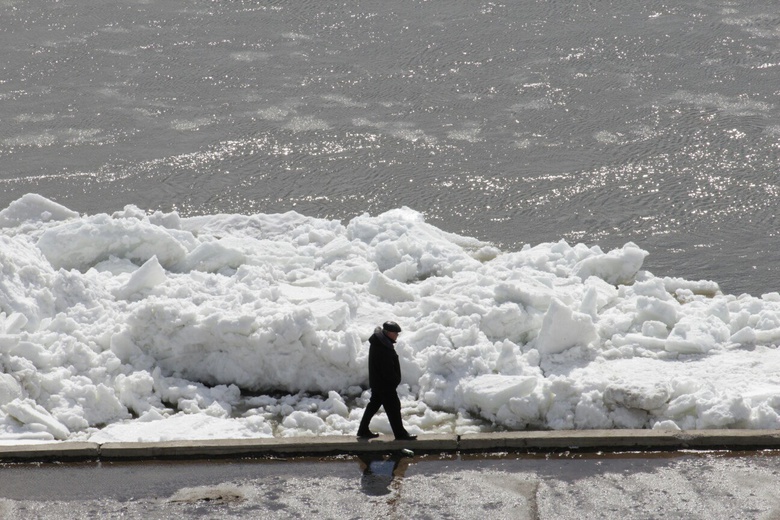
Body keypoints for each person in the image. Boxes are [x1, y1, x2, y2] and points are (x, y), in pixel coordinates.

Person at [356, 321, 417, 440]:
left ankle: (363, 429)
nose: (397, 336)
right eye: (395, 333)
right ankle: (400, 434)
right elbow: (387, 368)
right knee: (394, 407)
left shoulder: (380, 342)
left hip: (379, 383)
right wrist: (394, 380)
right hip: (385, 385)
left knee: (373, 405)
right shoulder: (382, 347)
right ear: (388, 333)